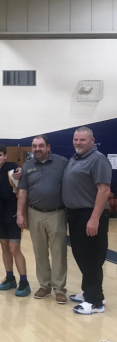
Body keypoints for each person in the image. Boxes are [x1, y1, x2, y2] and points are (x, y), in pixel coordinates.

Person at [63, 127, 112, 315]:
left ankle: (95, 301)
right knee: (80, 254)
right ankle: (90, 292)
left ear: (92, 140)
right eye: (76, 139)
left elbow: (104, 190)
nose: (78, 143)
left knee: (92, 257)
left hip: (90, 215)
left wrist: (94, 218)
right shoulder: (75, 158)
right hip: (75, 215)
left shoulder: (98, 159)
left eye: (82, 140)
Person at [17, 135, 69, 304]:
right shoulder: (27, 165)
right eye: (34, 146)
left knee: (58, 252)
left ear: (48, 147)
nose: (37, 149)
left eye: (41, 145)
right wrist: (20, 213)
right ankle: (45, 285)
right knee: (39, 251)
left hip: (57, 213)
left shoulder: (62, 162)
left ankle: (59, 289)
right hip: (35, 213)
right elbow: (23, 191)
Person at [0, 144, 30, 296]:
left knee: (14, 248)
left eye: (0, 155)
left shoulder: (13, 171)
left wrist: (21, 214)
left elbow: (22, 193)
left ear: (5, 156)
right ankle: (10, 277)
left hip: (12, 214)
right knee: (4, 246)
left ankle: (24, 281)